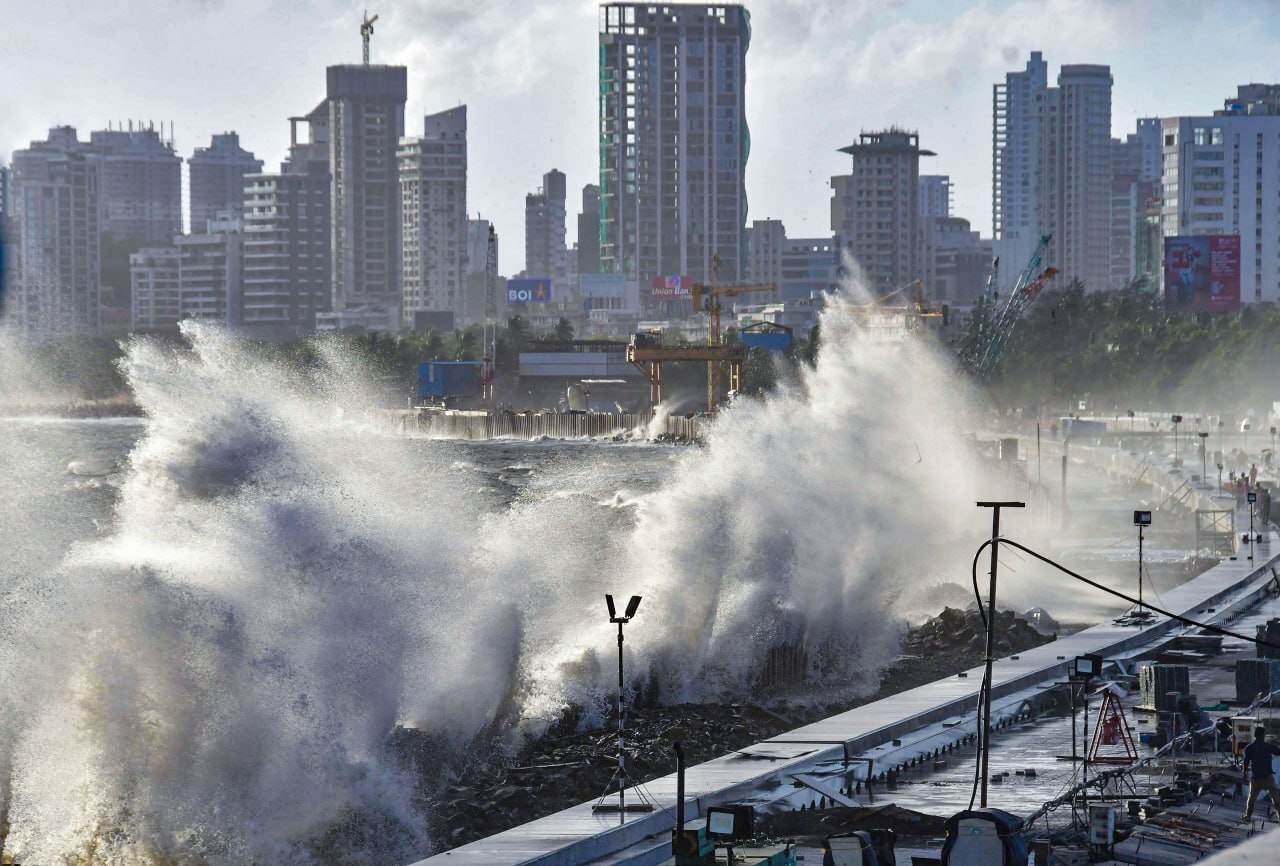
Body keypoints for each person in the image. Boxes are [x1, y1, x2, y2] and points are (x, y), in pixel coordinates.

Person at [1242, 726, 1280, 821]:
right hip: (1268, 778)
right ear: (1263, 735)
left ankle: (1247, 816)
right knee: (1275, 799)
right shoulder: (1267, 747)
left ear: (1255, 735)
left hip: (1256, 779)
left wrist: (1244, 773)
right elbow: (1278, 752)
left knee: (1251, 799)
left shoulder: (1249, 748)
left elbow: (1246, 762)